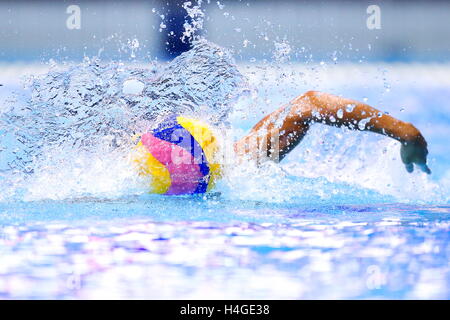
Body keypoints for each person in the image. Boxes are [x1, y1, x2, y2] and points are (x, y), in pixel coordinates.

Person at [234, 90, 430, 174]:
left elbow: (308, 104)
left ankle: (405, 132)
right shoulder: (224, 167)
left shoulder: (225, 167)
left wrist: (403, 132)